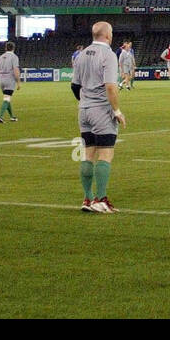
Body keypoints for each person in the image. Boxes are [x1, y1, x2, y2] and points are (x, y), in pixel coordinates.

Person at [72, 21, 126, 213]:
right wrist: (117, 111)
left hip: (84, 110)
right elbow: (110, 86)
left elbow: (74, 86)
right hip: (101, 111)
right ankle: (101, 199)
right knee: (105, 153)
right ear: (107, 35)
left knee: (88, 153)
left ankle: (87, 198)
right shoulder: (109, 55)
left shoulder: (81, 55)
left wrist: (85, 101)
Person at [0, 41, 20, 123]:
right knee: (7, 98)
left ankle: (12, 117)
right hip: (9, 79)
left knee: (6, 98)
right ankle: (0, 116)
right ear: (13, 48)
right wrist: (18, 82)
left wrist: (3, 72)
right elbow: (16, 70)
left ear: (5, 48)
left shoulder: (0, 57)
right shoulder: (14, 57)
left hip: (1, 80)